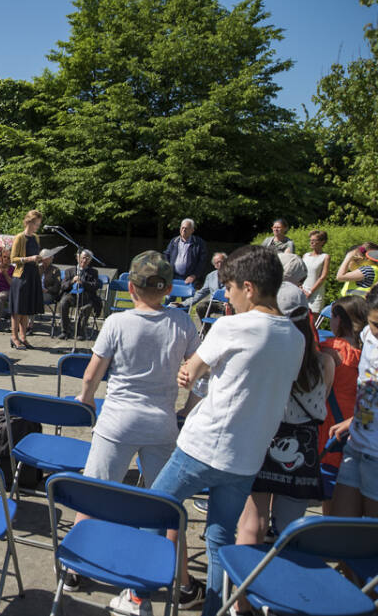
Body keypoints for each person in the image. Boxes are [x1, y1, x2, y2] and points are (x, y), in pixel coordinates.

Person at [149, 245, 304, 616]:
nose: (227, 297)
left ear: (248, 288)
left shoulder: (232, 326)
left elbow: (192, 370)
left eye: (230, 289)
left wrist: (190, 372)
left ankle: (141, 592)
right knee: (219, 539)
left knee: (152, 511)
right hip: (246, 458)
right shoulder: (296, 338)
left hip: (203, 447)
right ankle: (215, 609)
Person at [70, 251, 203, 608]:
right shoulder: (182, 322)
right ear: (169, 289)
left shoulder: (117, 322)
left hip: (117, 421)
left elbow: (92, 374)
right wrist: (187, 410)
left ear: (130, 287)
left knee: (94, 493)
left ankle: (75, 568)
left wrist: (86, 400)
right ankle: (184, 584)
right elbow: (201, 374)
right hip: (161, 423)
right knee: (167, 506)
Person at [233, 283, 334, 614]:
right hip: (304, 450)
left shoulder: (263, 356)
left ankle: (241, 603)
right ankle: (281, 602)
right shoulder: (325, 362)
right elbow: (319, 405)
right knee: (291, 533)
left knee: (252, 524)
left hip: (263, 440)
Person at [328, 287, 378, 520]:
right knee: (341, 528)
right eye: (374, 323)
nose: (377, 331)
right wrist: (353, 419)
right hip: (356, 444)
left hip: (375, 455)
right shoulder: (368, 335)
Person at [318, 296, 367, 515]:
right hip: (356, 430)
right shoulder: (367, 353)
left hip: (330, 431)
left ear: (339, 320)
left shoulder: (329, 349)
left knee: (328, 496)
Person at [9, 209, 44, 350]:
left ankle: (23, 337)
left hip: (32, 275)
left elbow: (36, 255)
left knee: (26, 308)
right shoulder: (19, 237)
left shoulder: (36, 238)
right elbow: (13, 259)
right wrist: (29, 258)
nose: (37, 227)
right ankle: (14, 337)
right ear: (29, 222)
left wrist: (40, 258)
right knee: (17, 309)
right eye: (36, 224)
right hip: (21, 276)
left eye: (39, 224)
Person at [57, 248, 102, 340]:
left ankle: (80, 332)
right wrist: (72, 281)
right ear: (78, 258)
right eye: (83, 257)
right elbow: (63, 286)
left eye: (87, 258)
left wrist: (83, 282)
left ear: (90, 260)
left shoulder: (93, 272)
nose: (84, 260)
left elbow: (95, 286)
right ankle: (65, 331)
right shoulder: (69, 271)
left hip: (86, 296)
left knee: (87, 307)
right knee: (62, 304)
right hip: (71, 295)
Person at [171, 252, 226, 322]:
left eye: (221, 262)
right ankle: (206, 328)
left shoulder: (234, 274)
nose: (220, 264)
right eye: (217, 263)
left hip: (230, 303)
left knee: (229, 310)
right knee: (201, 307)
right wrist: (184, 303)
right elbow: (201, 293)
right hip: (215, 303)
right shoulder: (210, 276)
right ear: (214, 265)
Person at [163, 218, 208, 285]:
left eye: (186, 228)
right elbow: (166, 255)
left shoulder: (199, 243)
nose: (184, 230)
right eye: (182, 228)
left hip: (190, 278)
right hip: (173, 276)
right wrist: (168, 270)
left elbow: (202, 261)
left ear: (192, 230)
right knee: (171, 292)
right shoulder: (174, 241)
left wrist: (194, 275)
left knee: (188, 292)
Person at [302, 229, 331, 314]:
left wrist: (310, 292)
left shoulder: (325, 257)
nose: (311, 242)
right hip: (302, 292)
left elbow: (323, 277)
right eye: (310, 240)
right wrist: (300, 288)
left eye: (314, 240)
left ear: (322, 242)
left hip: (316, 293)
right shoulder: (305, 256)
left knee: (313, 320)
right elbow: (300, 273)